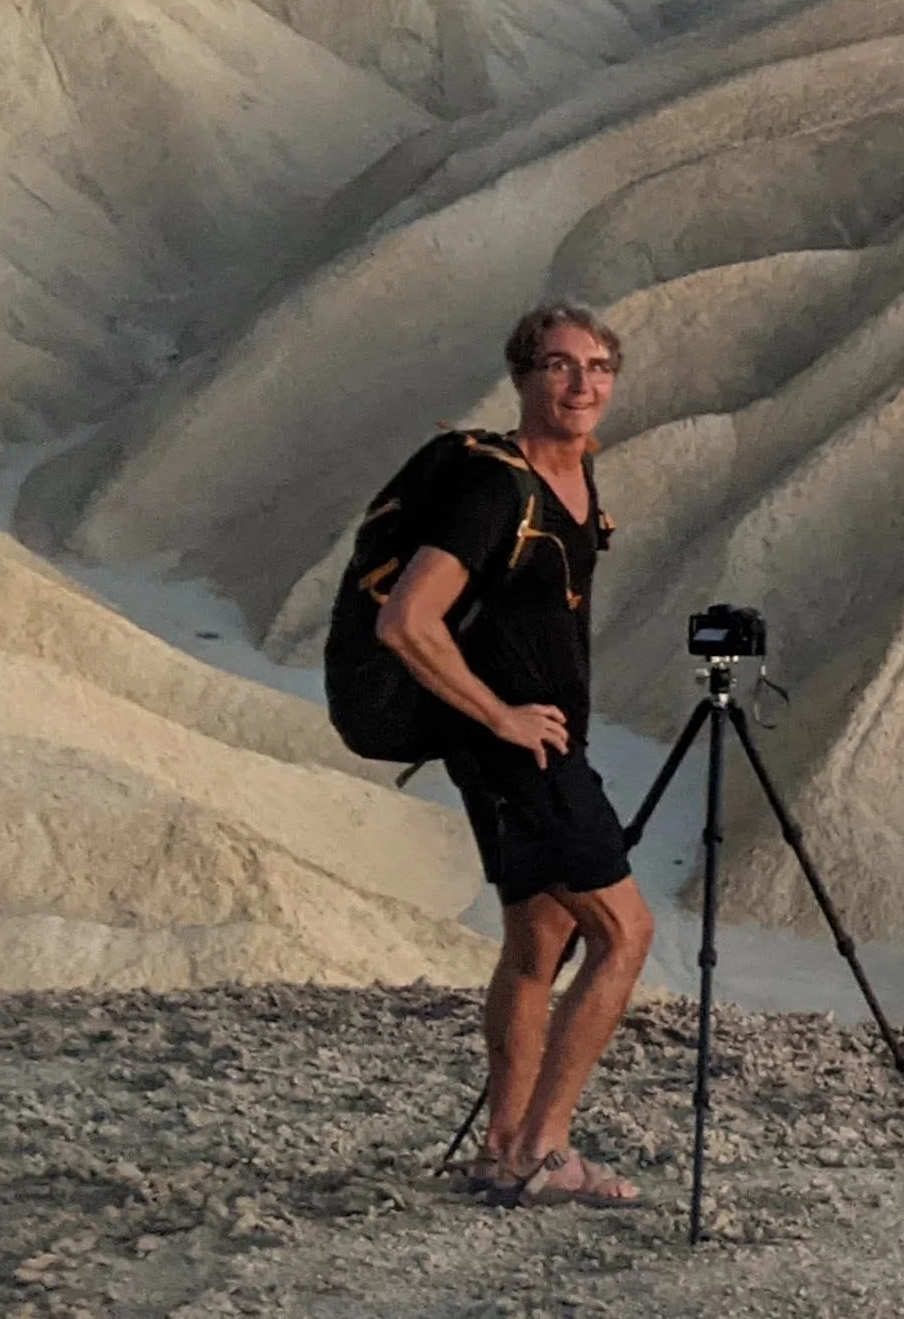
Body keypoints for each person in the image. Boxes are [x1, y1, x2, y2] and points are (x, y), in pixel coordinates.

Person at [377, 302, 656, 1207]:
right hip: (520, 755)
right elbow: (406, 619)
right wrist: (497, 718)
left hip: (540, 745)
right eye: (560, 366)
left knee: (541, 941)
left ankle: (503, 1152)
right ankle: (546, 1149)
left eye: (600, 366)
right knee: (624, 933)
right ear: (523, 377)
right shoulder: (497, 488)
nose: (583, 384)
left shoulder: (577, 478)